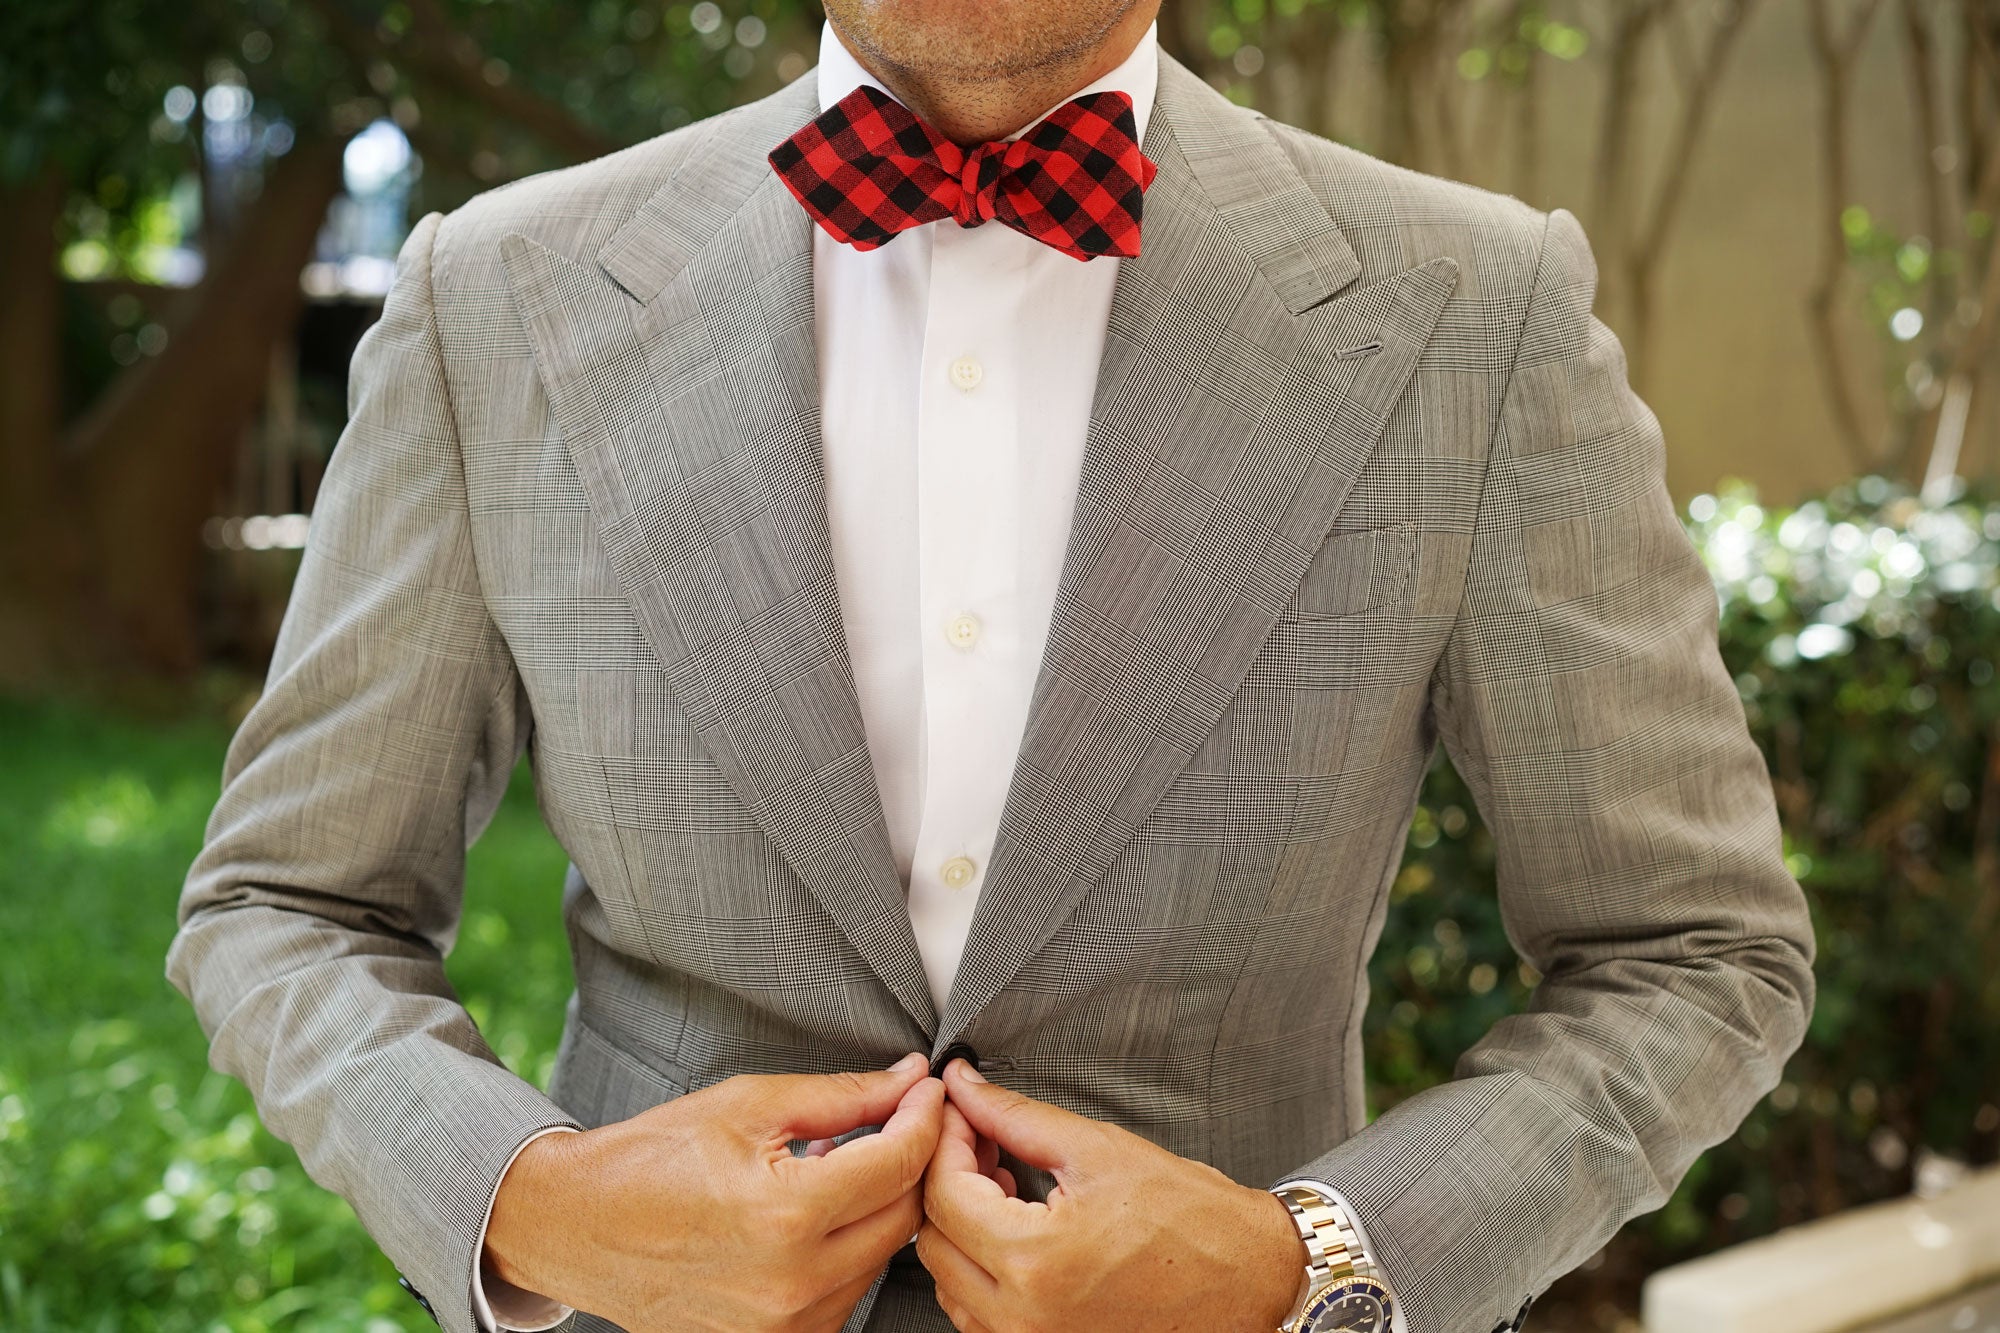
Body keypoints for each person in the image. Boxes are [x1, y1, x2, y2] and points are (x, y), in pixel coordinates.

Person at [166, 1, 1816, 1331]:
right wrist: (534, 1199)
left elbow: (1693, 951)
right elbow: (291, 907)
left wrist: (1304, 1262)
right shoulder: (494, 297)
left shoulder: (1478, 310)